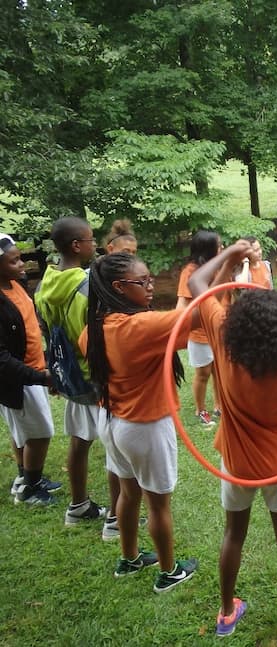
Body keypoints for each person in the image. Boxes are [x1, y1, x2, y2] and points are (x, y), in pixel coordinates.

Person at [189, 241, 277, 639]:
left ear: (237, 323)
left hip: (236, 466)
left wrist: (230, 255)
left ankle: (226, 611)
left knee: (233, 534)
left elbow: (200, 282)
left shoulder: (222, 339)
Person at [85, 251, 198, 593]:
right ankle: (168, 572)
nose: (151, 287)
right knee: (157, 504)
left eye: (151, 280)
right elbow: (194, 310)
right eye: (143, 282)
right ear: (119, 287)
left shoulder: (97, 325)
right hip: (144, 426)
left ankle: (130, 558)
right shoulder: (137, 326)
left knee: (129, 492)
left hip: (112, 422)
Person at [36, 217, 118, 532]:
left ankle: (79, 505)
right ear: (76, 245)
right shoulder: (87, 286)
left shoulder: (44, 284)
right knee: (115, 449)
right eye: (89, 239)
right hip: (96, 378)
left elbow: (47, 332)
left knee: (80, 442)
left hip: (69, 376)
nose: (93, 244)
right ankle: (115, 519)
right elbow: (99, 337)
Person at [0, 233, 60, 506]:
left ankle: (26, 476)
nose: (22, 265)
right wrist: (40, 376)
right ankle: (29, 489)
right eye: (13, 262)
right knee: (40, 432)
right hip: (20, 379)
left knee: (23, 432)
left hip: (33, 369)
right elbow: (2, 359)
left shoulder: (16, 284)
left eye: (20, 258)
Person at [176, 230, 222, 425]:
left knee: (220, 372)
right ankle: (200, 410)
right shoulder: (190, 272)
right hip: (200, 333)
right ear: (208, 249)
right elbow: (182, 306)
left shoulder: (219, 269)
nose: (222, 249)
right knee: (203, 373)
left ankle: (220, 407)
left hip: (220, 330)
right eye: (219, 246)